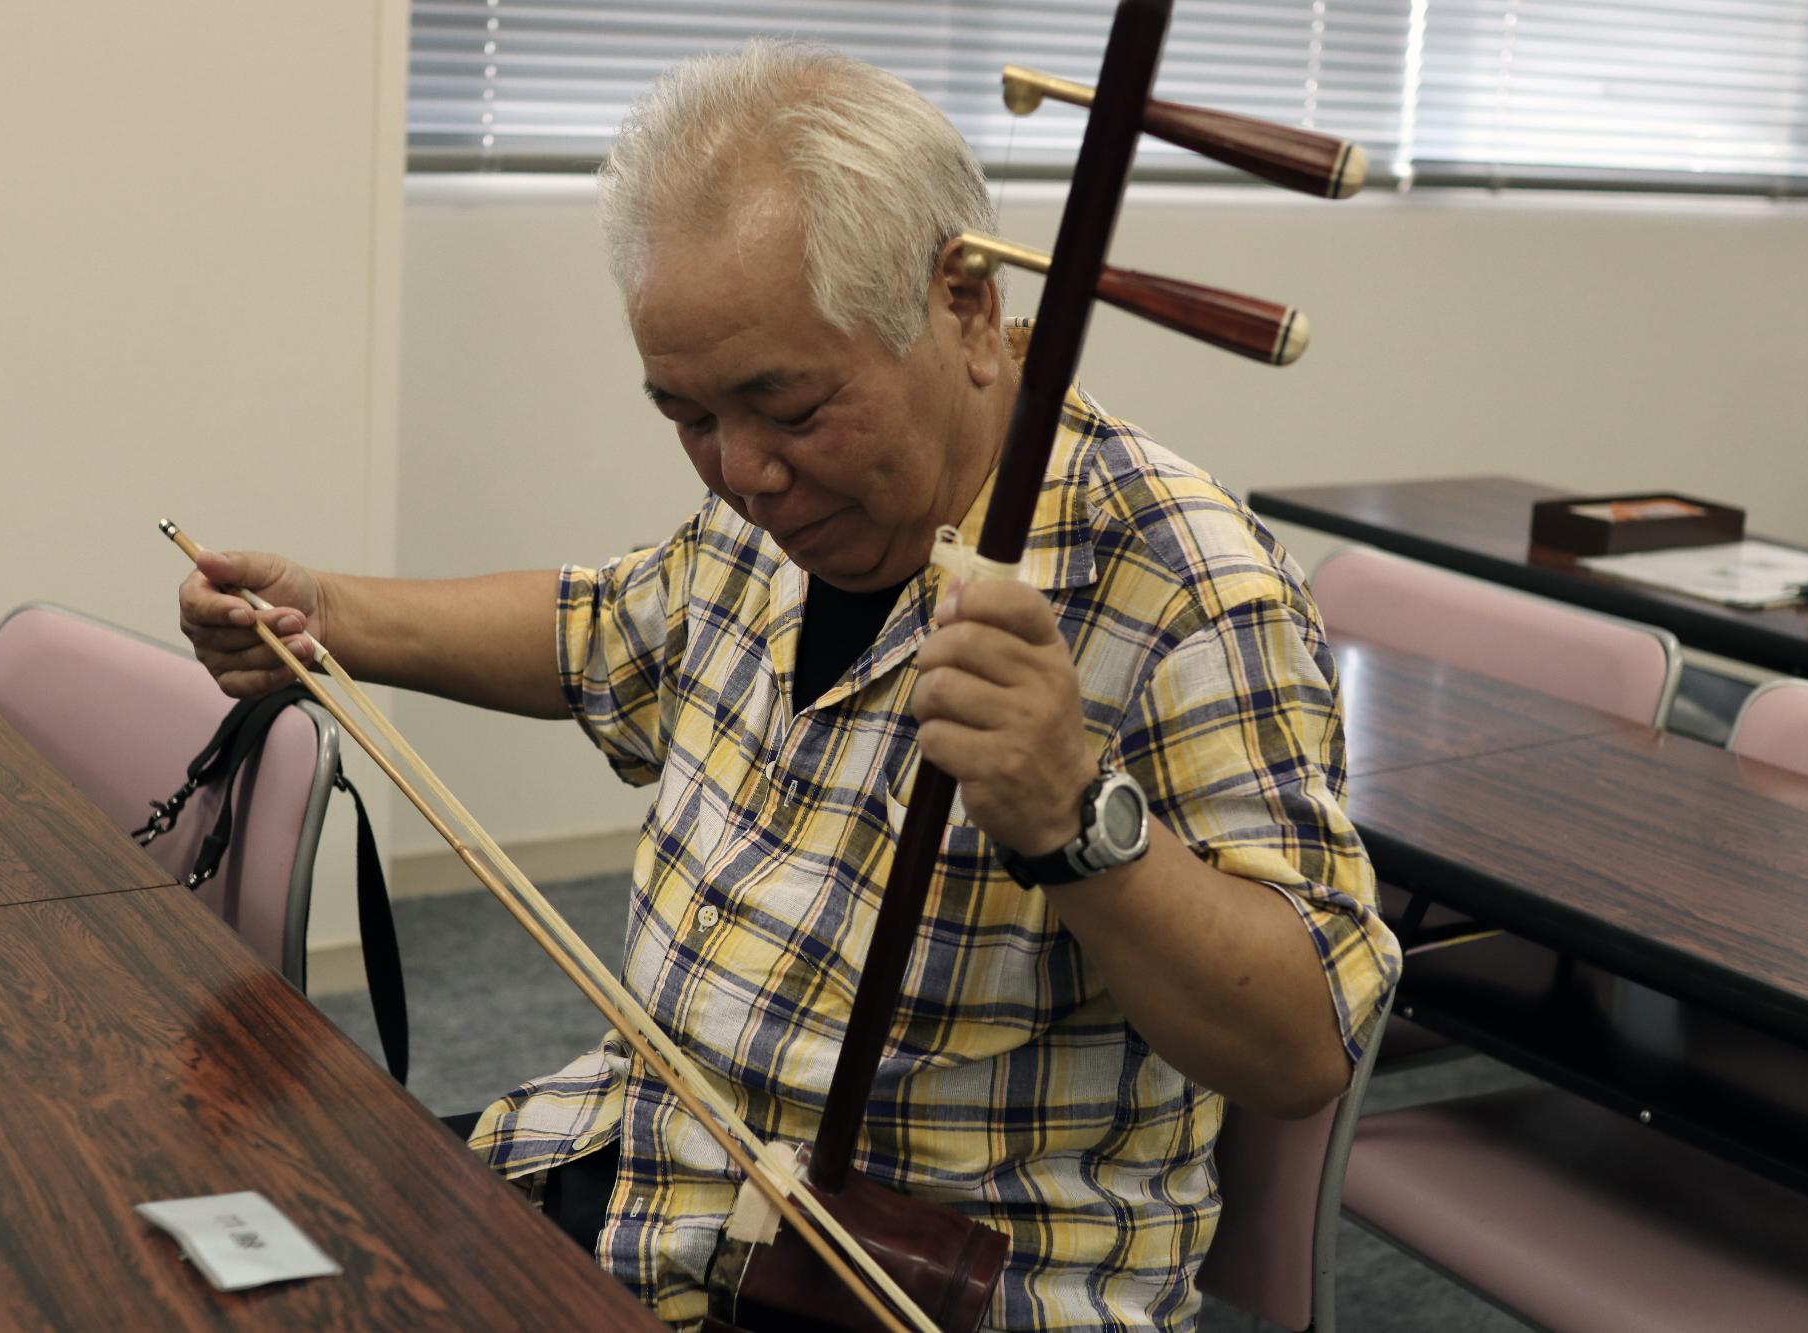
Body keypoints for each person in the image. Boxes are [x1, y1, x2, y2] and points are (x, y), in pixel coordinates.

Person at [178, 40, 1399, 1331]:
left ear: (969, 311)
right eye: (688, 416)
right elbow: (604, 632)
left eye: (792, 409)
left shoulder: (1186, 588)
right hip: (649, 1170)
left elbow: (1303, 1043)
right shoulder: (782, 516)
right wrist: (331, 616)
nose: (743, 473)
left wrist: (1071, 819)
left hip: (904, 1279)